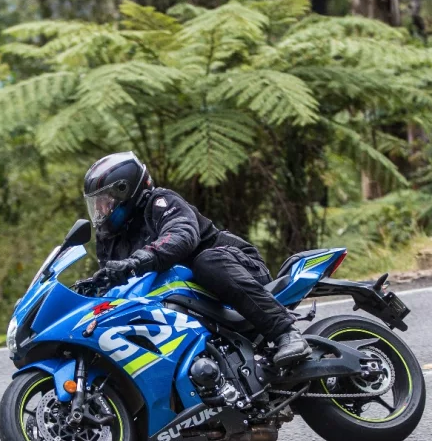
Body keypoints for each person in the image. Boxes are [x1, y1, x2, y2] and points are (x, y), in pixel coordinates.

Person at [83, 151, 310, 365]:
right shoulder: (108, 238)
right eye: (96, 203)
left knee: (205, 262)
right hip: (192, 296)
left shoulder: (160, 203)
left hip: (237, 268)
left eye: (105, 201)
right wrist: (95, 286)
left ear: (125, 190)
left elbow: (182, 236)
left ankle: (286, 333)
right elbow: (116, 285)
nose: (100, 209)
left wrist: (136, 261)